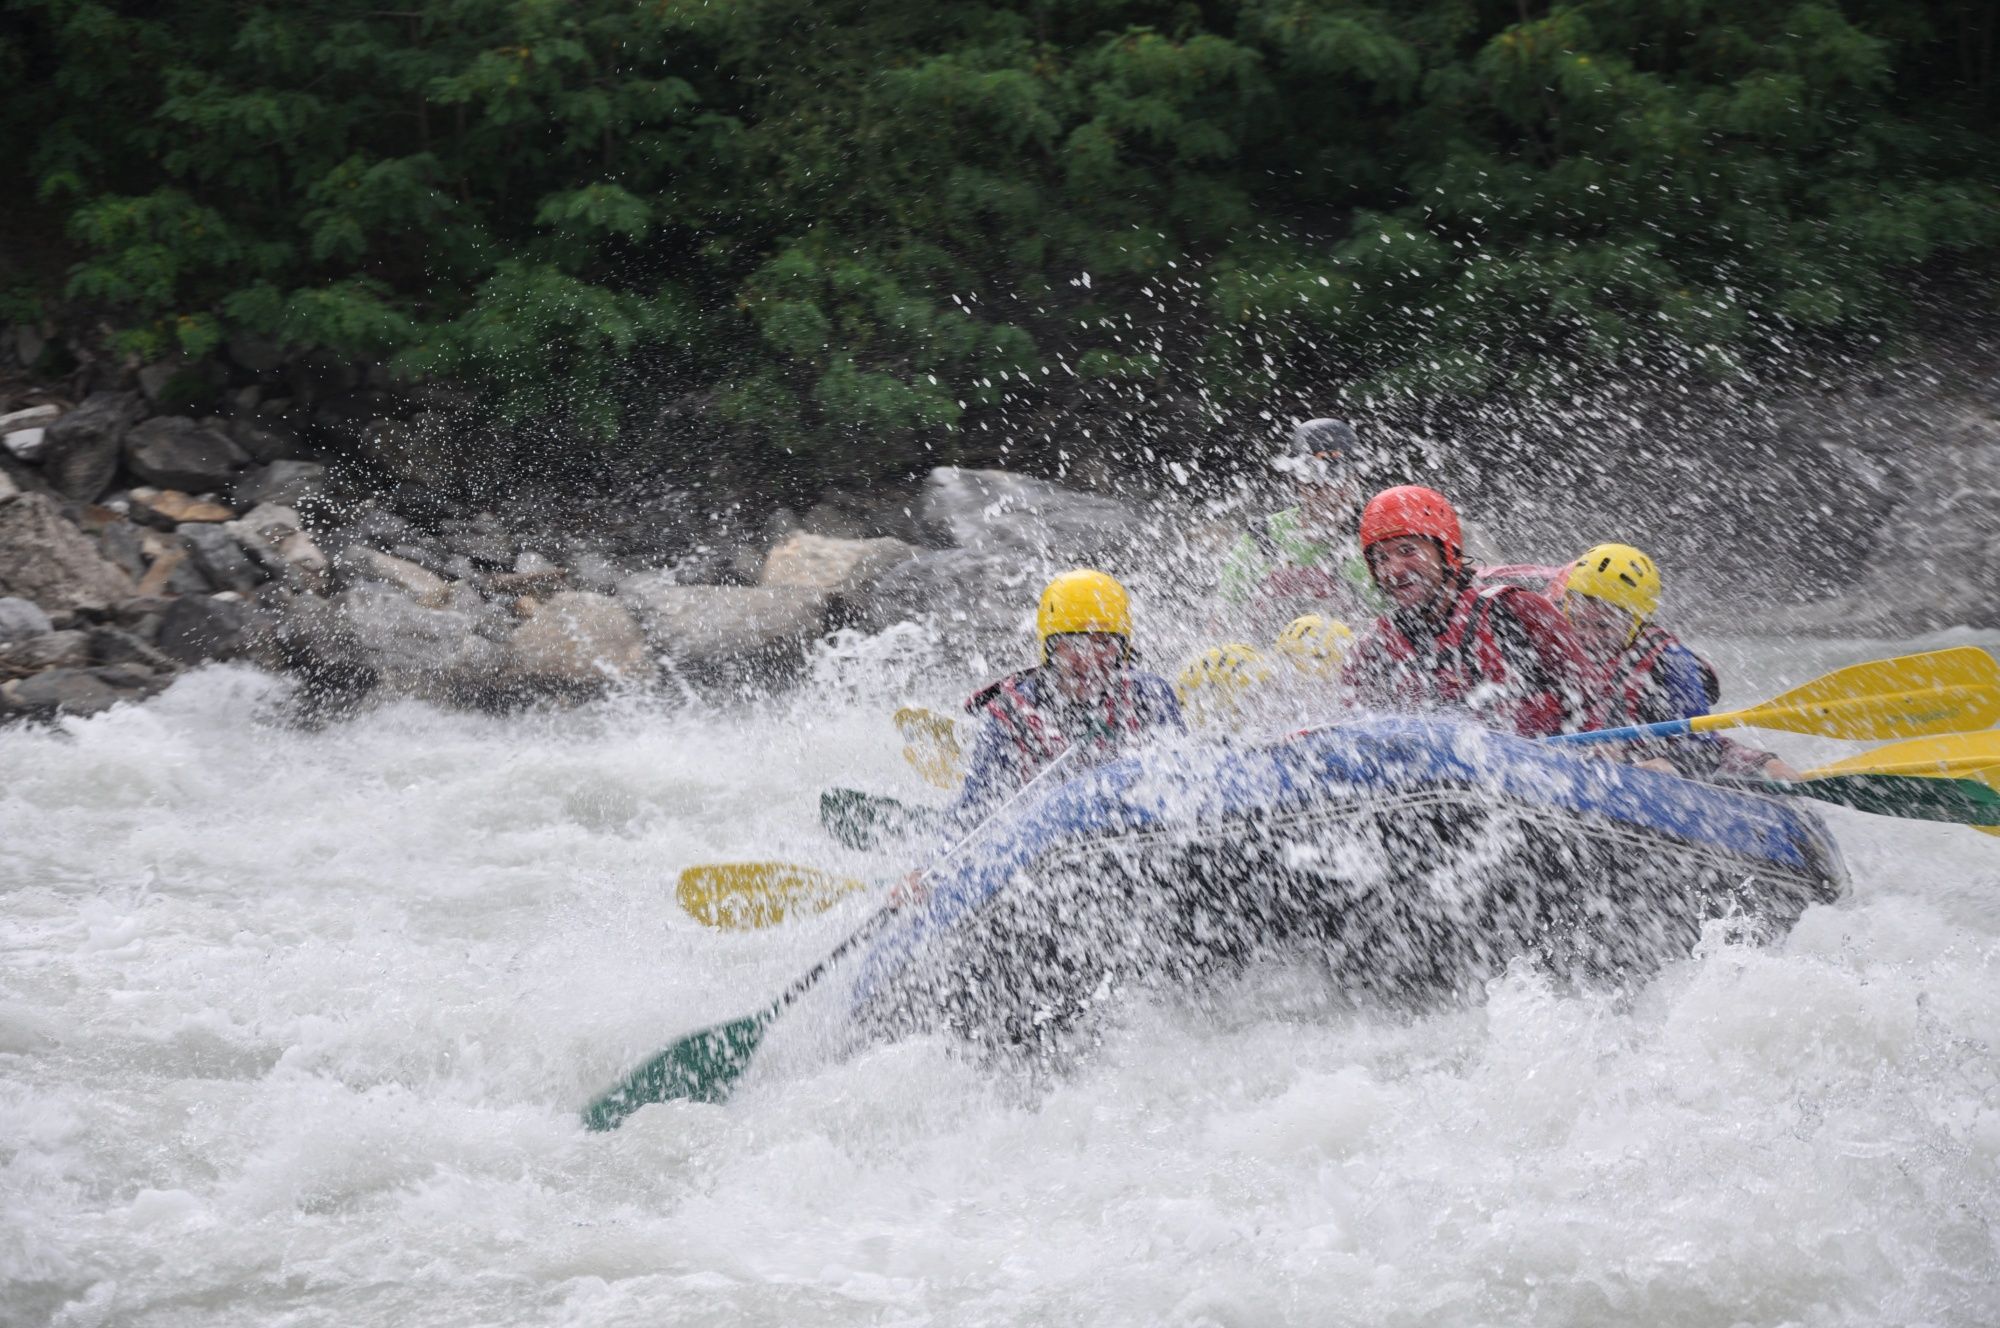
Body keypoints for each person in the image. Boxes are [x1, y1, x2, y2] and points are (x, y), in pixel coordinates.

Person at [1340, 485, 1595, 738]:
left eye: (1408, 551)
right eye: (1381, 559)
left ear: (1447, 551)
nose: (1393, 570)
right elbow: (1356, 734)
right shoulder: (1375, 646)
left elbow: (1591, 700)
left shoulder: (1516, 610)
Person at [947, 568, 1185, 829]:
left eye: (1103, 643)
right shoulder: (1010, 717)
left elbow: (1185, 779)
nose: (1089, 660)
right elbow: (972, 815)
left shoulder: (1150, 696)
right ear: (1049, 650)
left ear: (1122, 650)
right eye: (1073, 644)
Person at [1561, 543, 1801, 780]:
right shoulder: (1556, 637)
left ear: (1637, 621)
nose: (1589, 637)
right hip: (1602, 746)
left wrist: (1670, 762)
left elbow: (1702, 744)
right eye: (1580, 623)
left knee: (1730, 754)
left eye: (1603, 626)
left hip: (1671, 748)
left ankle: (1772, 768)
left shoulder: (1671, 662)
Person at [1215, 419, 1379, 633]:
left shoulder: (1375, 539)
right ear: (1296, 483)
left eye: (1338, 481)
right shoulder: (1263, 537)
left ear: (1356, 480)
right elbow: (1221, 620)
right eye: (1314, 484)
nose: (1327, 495)